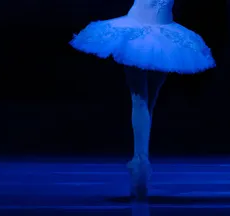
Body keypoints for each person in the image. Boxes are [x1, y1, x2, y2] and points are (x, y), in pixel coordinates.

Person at [69, 0, 215, 200]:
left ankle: (140, 162)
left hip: (156, 33)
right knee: (145, 101)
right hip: (149, 32)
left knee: (143, 101)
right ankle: (141, 162)